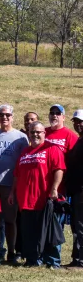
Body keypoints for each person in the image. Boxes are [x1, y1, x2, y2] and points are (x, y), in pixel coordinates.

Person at [12, 122, 65, 268]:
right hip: (26, 201)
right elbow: (17, 175)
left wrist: (54, 188)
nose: (35, 134)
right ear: (28, 134)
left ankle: (53, 261)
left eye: (38, 132)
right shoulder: (25, 152)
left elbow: (59, 170)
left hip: (44, 199)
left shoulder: (52, 149)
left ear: (44, 133)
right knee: (29, 232)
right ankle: (32, 260)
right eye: (32, 132)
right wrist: (12, 193)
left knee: (48, 231)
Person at [0, 104, 28, 263]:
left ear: (12, 116)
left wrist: (16, 188)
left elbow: (24, 162)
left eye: (7, 115)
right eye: (1, 115)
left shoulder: (21, 138)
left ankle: (11, 252)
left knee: (10, 221)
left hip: (11, 186)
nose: (4, 118)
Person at [65, 109, 83, 269]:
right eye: (76, 121)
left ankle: (81, 260)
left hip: (81, 190)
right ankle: (77, 257)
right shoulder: (79, 141)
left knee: (81, 225)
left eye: (81, 121)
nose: (78, 124)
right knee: (76, 226)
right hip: (75, 190)